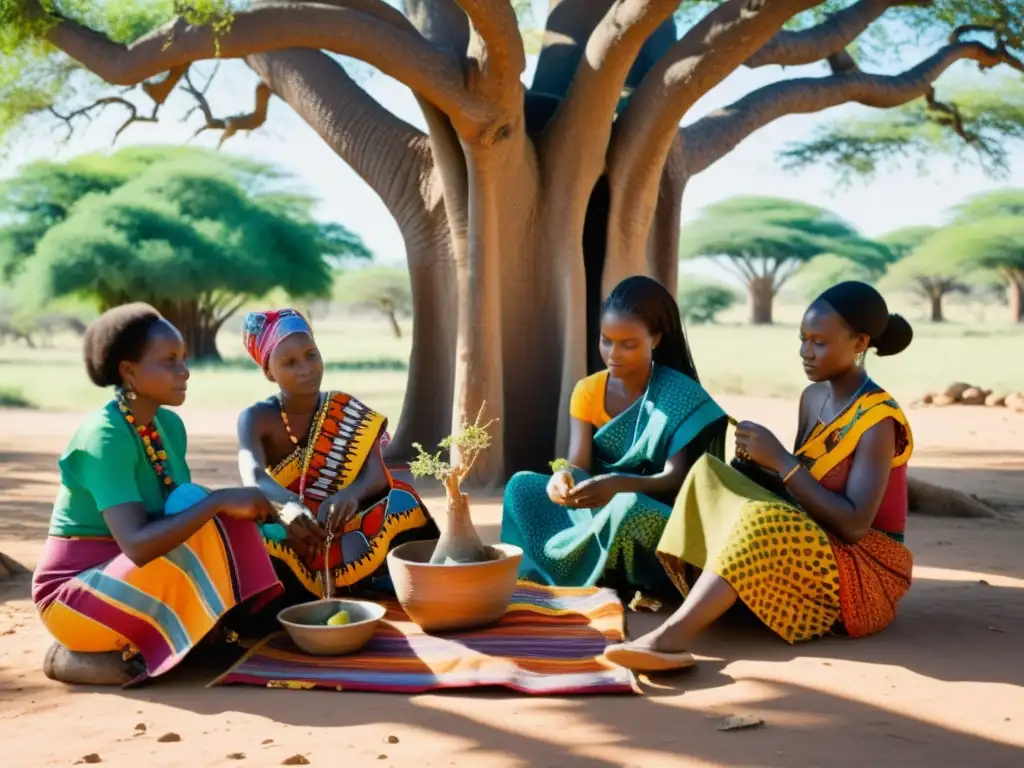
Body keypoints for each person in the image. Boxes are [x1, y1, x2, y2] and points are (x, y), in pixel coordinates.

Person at [604, 281, 916, 672]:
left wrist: (783, 462)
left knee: (762, 520)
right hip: (815, 541)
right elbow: (800, 493)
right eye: (802, 339)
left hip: (862, 572)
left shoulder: (878, 420)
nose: (806, 352)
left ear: (859, 343)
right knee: (707, 476)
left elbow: (854, 526)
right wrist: (757, 466)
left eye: (819, 342)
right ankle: (714, 597)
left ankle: (671, 639)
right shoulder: (814, 397)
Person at [31, 304, 282, 686]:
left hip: (129, 580)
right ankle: (74, 657)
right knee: (212, 514)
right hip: (76, 599)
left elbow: (177, 514)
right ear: (128, 371)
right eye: (169, 361)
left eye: (183, 359)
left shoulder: (167, 425)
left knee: (225, 520)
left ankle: (201, 636)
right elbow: (137, 545)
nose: (184, 371)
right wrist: (217, 501)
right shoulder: (105, 436)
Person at [500, 276, 729, 592]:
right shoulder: (588, 390)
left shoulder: (678, 394)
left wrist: (619, 485)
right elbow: (578, 463)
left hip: (656, 511)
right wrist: (562, 478)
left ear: (656, 339)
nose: (613, 353)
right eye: (606, 340)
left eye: (628, 344)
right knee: (521, 487)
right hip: (597, 502)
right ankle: (584, 570)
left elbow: (676, 478)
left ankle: (618, 575)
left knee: (627, 506)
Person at [237, 308, 437, 599]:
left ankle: (379, 579)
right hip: (293, 528)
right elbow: (252, 474)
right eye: (289, 362)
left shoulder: (343, 407)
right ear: (269, 371)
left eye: (311, 355)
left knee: (402, 502)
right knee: (253, 538)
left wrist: (351, 494)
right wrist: (289, 507)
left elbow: (377, 476)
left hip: (344, 523)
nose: (306, 369)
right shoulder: (255, 418)